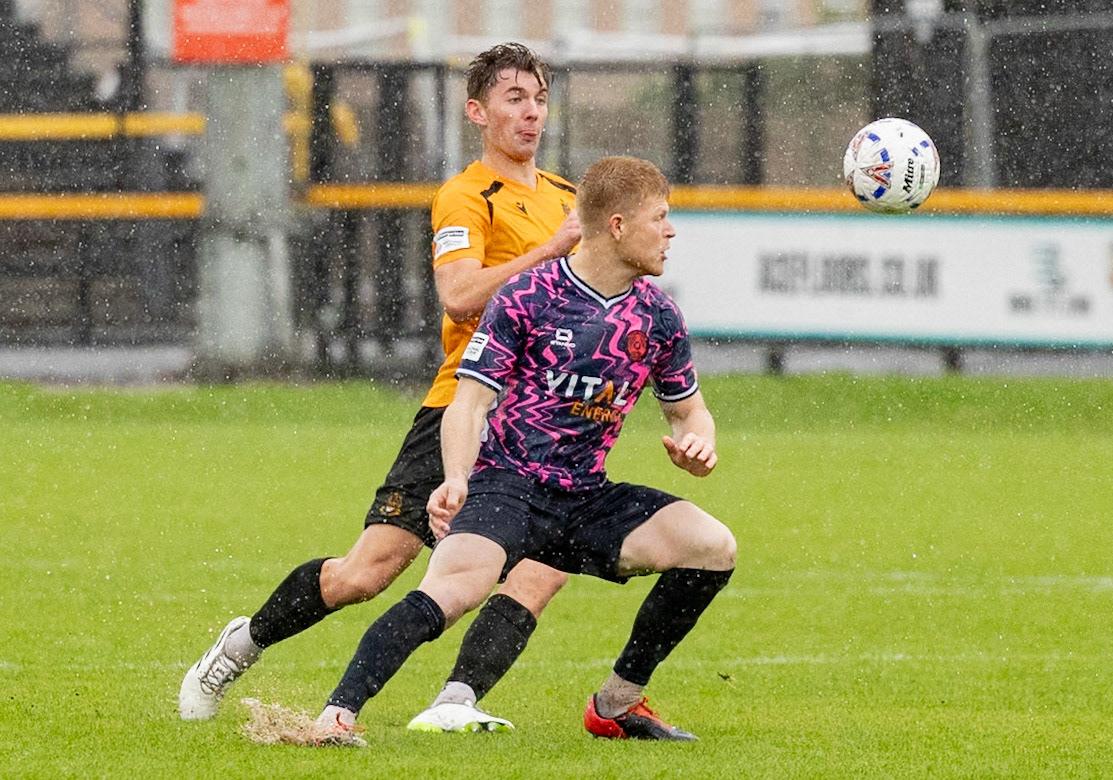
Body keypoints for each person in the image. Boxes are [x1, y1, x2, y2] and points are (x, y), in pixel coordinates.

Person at [179, 42, 582, 733]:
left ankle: (457, 702)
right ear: (477, 111)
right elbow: (458, 296)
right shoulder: (465, 196)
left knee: (544, 568)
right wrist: (548, 252)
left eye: (539, 98)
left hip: (539, 425)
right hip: (463, 408)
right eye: (515, 98)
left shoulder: (571, 199)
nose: (531, 112)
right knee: (365, 574)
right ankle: (239, 646)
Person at [310, 155, 736, 745]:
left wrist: (698, 441)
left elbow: (688, 407)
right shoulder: (529, 295)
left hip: (585, 495)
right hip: (507, 484)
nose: (671, 232)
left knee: (713, 547)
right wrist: (457, 478)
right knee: (450, 592)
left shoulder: (659, 316)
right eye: (659, 218)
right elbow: (469, 403)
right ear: (616, 226)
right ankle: (336, 714)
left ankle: (617, 702)